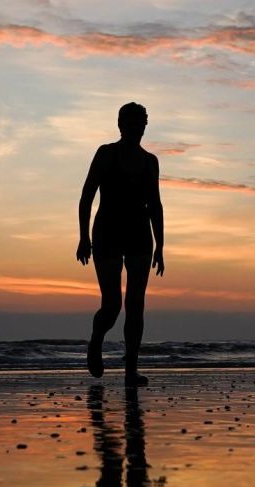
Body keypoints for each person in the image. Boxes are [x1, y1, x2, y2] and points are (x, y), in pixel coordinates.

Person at [76, 102, 165, 386]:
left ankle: (130, 371)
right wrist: (83, 237)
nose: (135, 127)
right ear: (120, 124)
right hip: (107, 234)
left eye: (140, 122)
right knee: (112, 304)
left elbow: (156, 205)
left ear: (145, 126)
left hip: (140, 236)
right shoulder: (106, 154)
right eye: (130, 122)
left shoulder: (151, 161)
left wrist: (161, 246)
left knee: (136, 304)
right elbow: (87, 195)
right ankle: (96, 341)